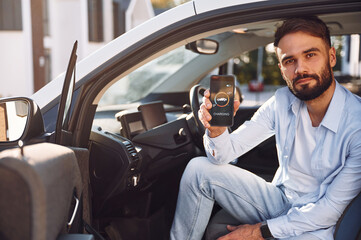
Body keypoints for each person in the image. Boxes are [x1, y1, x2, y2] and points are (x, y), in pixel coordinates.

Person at [170, 16, 361, 240]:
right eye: (290, 61)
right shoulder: (281, 101)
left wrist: (259, 231)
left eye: (310, 55)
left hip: (319, 222)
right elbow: (224, 155)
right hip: (280, 199)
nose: (300, 68)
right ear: (281, 69)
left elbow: (329, 210)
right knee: (198, 169)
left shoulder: (356, 123)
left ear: (330, 56)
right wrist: (217, 132)